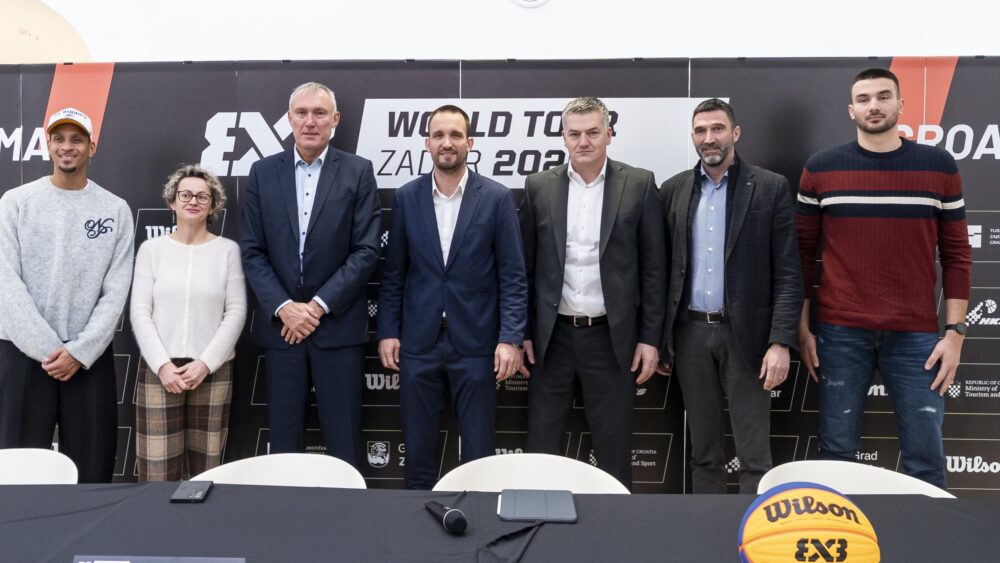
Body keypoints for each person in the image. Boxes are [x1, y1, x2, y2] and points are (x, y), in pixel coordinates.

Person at [797, 68, 972, 488]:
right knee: (836, 455)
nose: (873, 106)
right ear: (851, 109)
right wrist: (802, 329)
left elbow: (957, 255)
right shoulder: (821, 169)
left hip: (916, 338)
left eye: (883, 96)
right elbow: (801, 256)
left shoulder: (938, 166)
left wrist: (955, 334)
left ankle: (930, 532)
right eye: (863, 99)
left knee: (926, 458)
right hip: (840, 333)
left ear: (900, 104)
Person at [376, 105, 527, 489]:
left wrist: (510, 338)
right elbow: (394, 273)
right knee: (418, 453)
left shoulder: (495, 197)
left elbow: (512, 276)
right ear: (427, 143)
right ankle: (417, 522)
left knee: (478, 455)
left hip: (476, 344)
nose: (447, 143)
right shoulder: (407, 197)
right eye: (439, 135)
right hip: (418, 344)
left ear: (469, 143)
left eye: (455, 135)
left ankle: (477, 521)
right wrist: (388, 331)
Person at [520, 96, 666, 488]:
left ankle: (615, 523)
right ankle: (535, 522)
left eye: (592, 132)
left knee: (614, 449)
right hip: (551, 340)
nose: (583, 141)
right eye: (575, 134)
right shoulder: (538, 186)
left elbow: (655, 270)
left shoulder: (639, 184)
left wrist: (650, 339)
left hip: (611, 340)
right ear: (564, 138)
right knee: (541, 447)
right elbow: (525, 268)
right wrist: (524, 332)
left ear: (609, 134)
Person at [659, 98, 802, 493]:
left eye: (717, 128)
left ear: (735, 133)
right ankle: (708, 527)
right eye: (701, 131)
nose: (709, 138)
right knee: (703, 453)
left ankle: (754, 527)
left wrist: (780, 342)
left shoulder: (769, 187)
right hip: (689, 335)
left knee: (754, 455)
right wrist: (661, 339)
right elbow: (661, 272)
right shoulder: (673, 190)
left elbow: (788, 273)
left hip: (747, 338)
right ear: (693, 137)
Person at [240, 82, 380, 466]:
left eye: (320, 113)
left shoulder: (358, 171)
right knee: (284, 447)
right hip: (282, 331)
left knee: (345, 443)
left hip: (338, 330)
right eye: (301, 113)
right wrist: (285, 307)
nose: (310, 121)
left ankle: (348, 506)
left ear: (335, 120)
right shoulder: (262, 173)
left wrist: (316, 307)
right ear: (289, 119)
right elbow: (252, 251)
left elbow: (367, 250)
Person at [0, 107, 134, 482]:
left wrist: (79, 351)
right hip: (24, 356)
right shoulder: (15, 202)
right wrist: (48, 349)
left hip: (87, 359)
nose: (67, 146)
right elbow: (5, 282)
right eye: (58, 138)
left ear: (92, 147)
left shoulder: (115, 210)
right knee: (19, 475)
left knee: (92, 474)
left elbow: (116, 291)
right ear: (48, 145)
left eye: (77, 139)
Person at [131, 165, 246, 481]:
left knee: (205, 474)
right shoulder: (152, 250)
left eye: (202, 196)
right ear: (172, 202)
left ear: (212, 205)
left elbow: (236, 312)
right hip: (160, 370)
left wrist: (205, 364)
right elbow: (140, 312)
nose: (193, 201)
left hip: (212, 371)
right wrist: (162, 366)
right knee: (156, 474)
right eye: (185, 195)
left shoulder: (227, 251)